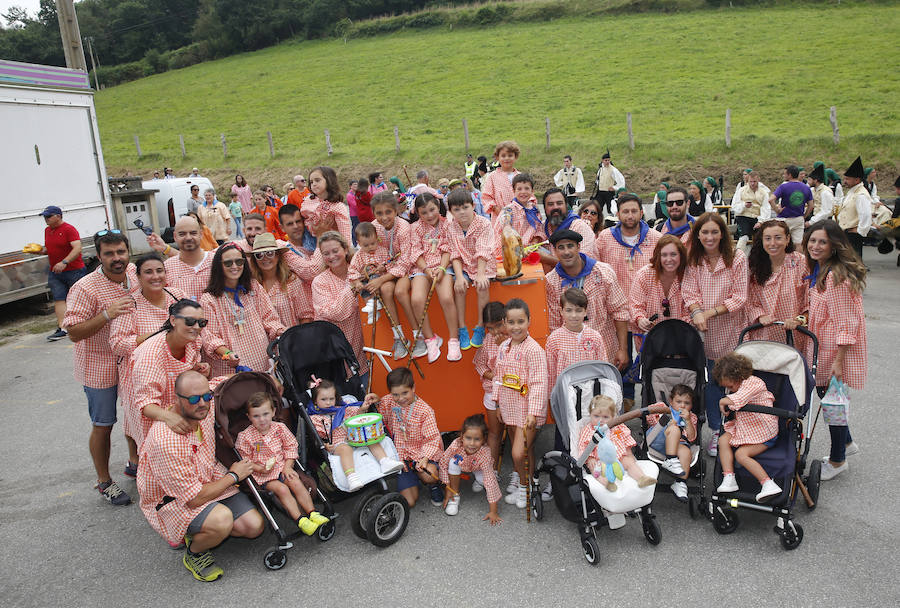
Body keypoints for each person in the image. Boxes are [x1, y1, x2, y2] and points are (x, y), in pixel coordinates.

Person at [137, 370, 264, 582]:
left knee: (254, 527)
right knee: (222, 521)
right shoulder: (166, 440)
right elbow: (193, 498)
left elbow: (224, 382)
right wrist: (233, 475)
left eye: (207, 396)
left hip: (207, 477)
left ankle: (204, 530)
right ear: (177, 398)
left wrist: (269, 381)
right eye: (195, 399)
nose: (203, 403)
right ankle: (195, 551)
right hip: (175, 500)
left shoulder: (205, 405)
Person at [63, 229, 137, 505]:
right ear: (99, 256)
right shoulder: (84, 287)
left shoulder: (134, 274)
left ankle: (134, 462)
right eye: (109, 254)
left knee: (135, 416)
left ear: (128, 252)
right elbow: (73, 332)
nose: (116, 258)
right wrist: (106, 314)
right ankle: (104, 481)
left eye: (120, 251)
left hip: (130, 359)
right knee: (104, 424)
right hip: (99, 364)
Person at [109, 253, 186, 469]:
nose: (155, 276)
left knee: (178, 427)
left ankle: (179, 471)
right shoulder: (129, 304)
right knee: (149, 430)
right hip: (142, 379)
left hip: (176, 375)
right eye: (148, 272)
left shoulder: (177, 296)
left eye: (159, 270)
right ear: (139, 276)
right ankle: (151, 478)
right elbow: (117, 344)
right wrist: (157, 336)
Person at [803, 220, 866, 480]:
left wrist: (838, 362)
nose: (815, 246)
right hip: (822, 344)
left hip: (831, 349)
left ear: (834, 246)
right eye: (813, 240)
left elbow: (845, 323)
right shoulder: (822, 270)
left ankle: (838, 460)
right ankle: (847, 443)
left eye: (823, 242)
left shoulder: (834, 276)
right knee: (831, 401)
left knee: (832, 403)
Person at [683, 212, 748, 456]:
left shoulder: (737, 258)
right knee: (711, 383)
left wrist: (707, 313)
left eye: (714, 232)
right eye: (704, 232)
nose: (709, 237)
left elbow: (740, 297)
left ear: (722, 233)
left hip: (730, 330)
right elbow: (688, 291)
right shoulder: (694, 260)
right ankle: (716, 430)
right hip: (704, 333)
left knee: (732, 383)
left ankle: (735, 429)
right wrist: (696, 310)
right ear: (697, 235)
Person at [593, 193, 661, 406]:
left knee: (647, 355)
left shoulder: (656, 238)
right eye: (625, 211)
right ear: (617, 213)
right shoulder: (605, 238)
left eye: (634, 211)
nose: (630, 215)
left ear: (642, 212)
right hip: (616, 309)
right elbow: (597, 269)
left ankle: (649, 400)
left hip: (646, 308)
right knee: (620, 354)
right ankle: (624, 396)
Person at [130, 298, 225, 448]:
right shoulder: (151, 356)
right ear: (173, 320)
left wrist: (195, 370)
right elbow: (146, 404)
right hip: (160, 418)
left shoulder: (193, 341)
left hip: (185, 407)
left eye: (201, 323)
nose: (196, 327)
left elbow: (181, 370)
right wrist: (169, 417)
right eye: (189, 321)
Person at [236, 391, 330, 535]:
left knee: (295, 482)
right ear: (249, 417)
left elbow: (291, 447)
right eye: (256, 416)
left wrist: (287, 466)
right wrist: (259, 469)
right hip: (264, 476)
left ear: (273, 412)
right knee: (282, 490)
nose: (262, 419)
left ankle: (312, 513)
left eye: (265, 414)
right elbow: (245, 460)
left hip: (282, 467)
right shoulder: (246, 437)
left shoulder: (279, 428)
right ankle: (301, 520)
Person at [493, 299, 548, 508]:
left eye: (521, 321)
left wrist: (533, 413)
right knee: (527, 451)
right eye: (511, 322)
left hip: (527, 412)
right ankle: (530, 486)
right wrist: (497, 403)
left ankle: (524, 488)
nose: (516, 327)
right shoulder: (504, 347)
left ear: (529, 321)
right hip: (509, 408)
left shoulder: (534, 350)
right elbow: (498, 376)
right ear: (505, 323)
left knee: (518, 452)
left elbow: (539, 383)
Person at [546, 229, 628, 366]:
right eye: (561, 247)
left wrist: (623, 349)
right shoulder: (551, 281)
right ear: (554, 251)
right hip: (571, 355)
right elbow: (554, 324)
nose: (566, 252)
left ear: (579, 247)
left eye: (570, 246)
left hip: (606, 350)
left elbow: (620, 311)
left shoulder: (603, 272)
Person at [201, 244, 285, 377]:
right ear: (219, 266)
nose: (235, 266)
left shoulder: (254, 287)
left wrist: (283, 332)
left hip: (260, 358)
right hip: (231, 366)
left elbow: (269, 318)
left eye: (239, 261)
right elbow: (210, 336)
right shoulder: (209, 299)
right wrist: (226, 353)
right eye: (228, 263)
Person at [307, 379, 403, 491]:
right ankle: (351, 477)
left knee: (369, 437)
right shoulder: (316, 418)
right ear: (315, 401)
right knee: (345, 449)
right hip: (338, 444)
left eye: (331, 399)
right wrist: (325, 445)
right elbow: (317, 438)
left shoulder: (343, 409)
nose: (328, 403)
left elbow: (357, 417)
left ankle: (384, 461)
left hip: (353, 437)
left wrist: (363, 408)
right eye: (323, 399)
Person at [369, 367, 443, 508]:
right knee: (408, 502)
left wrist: (425, 458)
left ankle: (434, 486)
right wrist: (376, 401)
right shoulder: (389, 401)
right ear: (390, 393)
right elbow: (380, 412)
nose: (401, 398)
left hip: (421, 455)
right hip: (403, 460)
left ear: (413, 388)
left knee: (429, 474)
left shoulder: (425, 411)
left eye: (405, 393)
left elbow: (433, 438)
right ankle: (414, 479)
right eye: (395, 394)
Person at [712, 353, 782, 502]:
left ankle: (768, 483)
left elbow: (740, 398)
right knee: (723, 440)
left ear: (740, 376)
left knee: (741, 455)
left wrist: (723, 400)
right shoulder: (738, 387)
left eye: (731, 386)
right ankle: (729, 477)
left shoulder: (754, 383)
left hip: (763, 431)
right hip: (745, 426)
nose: (730, 390)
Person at [408, 192, 463, 362]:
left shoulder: (448, 224)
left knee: (446, 297)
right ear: (418, 213)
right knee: (417, 299)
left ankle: (454, 340)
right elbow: (415, 251)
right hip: (422, 268)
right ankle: (431, 339)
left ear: (438, 206)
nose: (429, 215)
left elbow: (449, 249)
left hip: (443, 266)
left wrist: (441, 267)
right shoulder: (415, 228)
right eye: (424, 212)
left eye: (432, 210)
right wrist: (426, 270)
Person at [312, 231, 369, 387]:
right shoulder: (320, 282)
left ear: (345, 249)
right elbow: (334, 312)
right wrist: (352, 286)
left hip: (365, 348)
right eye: (326, 253)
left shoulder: (360, 272)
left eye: (335, 251)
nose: (331, 256)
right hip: (337, 357)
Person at [446, 188, 495, 352]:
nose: (462, 213)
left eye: (465, 207)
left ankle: (481, 326)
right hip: (464, 264)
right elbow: (455, 254)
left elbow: (483, 250)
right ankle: (462, 328)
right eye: (456, 209)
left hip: (484, 263)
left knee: (482, 286)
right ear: (451, 211)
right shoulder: (451, 227)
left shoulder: (484, 224)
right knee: (459, 288)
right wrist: (459, 277)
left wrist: (481, 274)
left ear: (473, 205)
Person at [746, 220, 807, 347]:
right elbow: (751, 299)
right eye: (767, 238)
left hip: (794, 332)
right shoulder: (755, 266)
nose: (772, 243)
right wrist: (760, 316)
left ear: (787, 239)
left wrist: (799, 320)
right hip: (764, 331)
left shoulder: (800, 262)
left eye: (778, 238)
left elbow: (810, 297)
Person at [577, 395, 655, 488]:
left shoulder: (618, 426)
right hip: (600, 459)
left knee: (630, 462)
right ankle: (607, 484)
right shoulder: (588, 430)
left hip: (619, 456)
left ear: (613, 417)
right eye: (596, 416)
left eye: (605, 417)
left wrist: (629, 453)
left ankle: (641, 478)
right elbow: (584, 446)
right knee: (594, 468)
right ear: (590, 414)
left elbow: (626, 439)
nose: (600, 420)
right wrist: (590, 459)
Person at [628, 234, 690, 347]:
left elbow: (691, 307)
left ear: (681, 255)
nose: (669, 259)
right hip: (650, 342)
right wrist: (640, 319)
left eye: (673, 254)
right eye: (664, 255)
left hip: (681, 340)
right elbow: (635, 305)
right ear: (658, 256)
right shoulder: (644, 275)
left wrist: (678, 327)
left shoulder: (688, 275)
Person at [439, 414, 503, 523]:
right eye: (468, 438)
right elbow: (443, 463)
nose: (472, 444)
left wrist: (493, 511)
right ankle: (454, 495)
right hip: (461, 463)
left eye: (477, 439)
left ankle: (478, 481)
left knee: (484, 481)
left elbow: (490, 480)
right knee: (451, 463)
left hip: (478, 467)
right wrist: (447, 489)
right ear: (461, 436)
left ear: (483, 440)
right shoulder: (456, 445)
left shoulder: (485, 453)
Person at [39, 205, 87, 341]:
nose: (46, 219)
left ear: (58, 216)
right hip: (55, 271)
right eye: (44, 216)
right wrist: (39, 251)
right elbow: (49, 249)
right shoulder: (47, 230)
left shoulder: (69, 229)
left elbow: (77, 248)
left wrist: (64, 262)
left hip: (74, 270)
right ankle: (63, 328)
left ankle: (84, 323)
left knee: (78, 298)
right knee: (59, 298)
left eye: (48, 216)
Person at [643, 384, 698, 501]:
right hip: (657, 439)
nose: (682, 405)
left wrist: (687, 421)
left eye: (687, 403)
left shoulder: (691, 417)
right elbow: (647, 416)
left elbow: (692, 438)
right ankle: (670, 459)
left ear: (692, 405)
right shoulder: (662, 407)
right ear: (671, 401)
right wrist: (663, 415)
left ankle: (680, 482)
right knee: (673, 429)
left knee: (686, 452)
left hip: (678, 444)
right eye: (679, 401)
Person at [545, 287, 606, 388]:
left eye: (578, 310)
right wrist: (552, 398)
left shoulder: (595, 337)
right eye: (568, 310)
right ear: (561, 311)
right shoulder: (554, 339)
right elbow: (550, 374)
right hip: (564, 393)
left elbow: (603, 367)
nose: (573, 315)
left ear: (585, 311)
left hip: (591, 393)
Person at [472, 302, 508, 470]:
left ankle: (518, 474)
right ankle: (491, 470)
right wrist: (493, 376)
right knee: (494, 433)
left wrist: (506, 344)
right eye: (490, 328)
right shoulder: (487, 342)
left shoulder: (517, 337)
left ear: (506, 320)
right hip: (492, 392)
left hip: (513, 393)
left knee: (516, 434)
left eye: (499, 326)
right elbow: (479, 365)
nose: (495, 332)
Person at [247, 232, 309, 327]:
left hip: (290, 339)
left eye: (270, 253)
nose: (265, 258)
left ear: (278, 255)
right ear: (254, 260)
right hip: (263, 341)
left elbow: (305, 316)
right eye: (259, 255)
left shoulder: (291, 281)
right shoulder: (251, 285)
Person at [152, 216, 213, 302]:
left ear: (201, 234)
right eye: (182, 234)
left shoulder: (216, 262)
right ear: (175, 236)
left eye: (193, 233)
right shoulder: (167, 268)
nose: (188, 238)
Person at [539, 187, 596, 269]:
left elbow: (581, 263)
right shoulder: (543, 227)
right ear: (544, 208)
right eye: (550, 204)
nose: (555, 207)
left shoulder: (580, 227)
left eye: (559, 203)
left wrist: (546, 259)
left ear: (566, 205)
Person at [302, 166, 353, 246]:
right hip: (308, 242)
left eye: (317, 180)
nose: (314, 184)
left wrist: (346, 249)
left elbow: (345, 233)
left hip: (330, 245)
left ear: (329, 181)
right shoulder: (309, 200)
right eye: (311, 182)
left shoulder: (337, 206)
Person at [835, 156, 873, 261]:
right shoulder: (852, 191)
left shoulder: (861, 194)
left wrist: (860, 230)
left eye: (847, 179)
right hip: (846, 233)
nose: (845, 181)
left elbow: (865, 215)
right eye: (845, 178)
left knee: (853, 263)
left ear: (857, 180)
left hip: (853, 235)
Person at [770, 165, 813, 245]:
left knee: (782, 243)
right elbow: (811, 205)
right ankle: (799, 257)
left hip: (784, 218)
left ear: (789, 175)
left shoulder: (783, 187)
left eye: (785, 174)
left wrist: (777, 210)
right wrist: (804, 216)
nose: (784, 176)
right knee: (798, 244)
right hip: (798, 218)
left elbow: (771, 199)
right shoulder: (806, 188)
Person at [481, 140, 521, 219]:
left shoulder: (521, 176)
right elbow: (486, 197)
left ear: (515, 157)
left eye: (510, 155)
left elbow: (529, 196)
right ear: (497, 157)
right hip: (499, 218)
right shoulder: (492, 177)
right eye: (503, 156)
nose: (507, 158)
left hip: (519, 217)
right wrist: (498, 211)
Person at [731, 170, 772, 245]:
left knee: (760, 238)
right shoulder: (741, 191)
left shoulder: (764, 192)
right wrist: (744, 205)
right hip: (743, 217)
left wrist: (760, 221)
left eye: (754, 181)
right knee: (744, 236)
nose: (752, 184)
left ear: (758, 180)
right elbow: (734, 205)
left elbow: (766, 208)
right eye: (750, 181)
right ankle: (740, 254)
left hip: (757, 217)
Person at [592, 150, 625, 216]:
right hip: (600, 192)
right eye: (605, 160)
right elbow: (598, 180)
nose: (607, 162)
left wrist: (614, 188)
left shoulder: (613, 170)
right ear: (602, 160)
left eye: (608, 160)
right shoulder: (600, 169)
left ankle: (612, 222)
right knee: (597, 208)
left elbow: (621, 181)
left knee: (611, 209)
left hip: (609, 193)